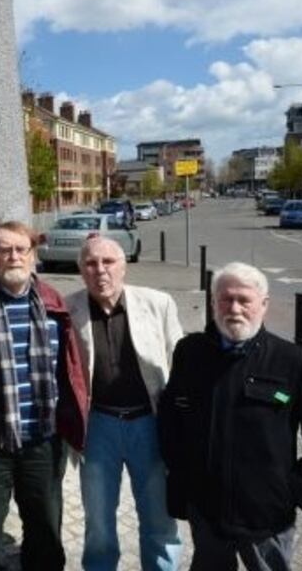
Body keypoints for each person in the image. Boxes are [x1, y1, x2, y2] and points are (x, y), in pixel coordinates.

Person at [158, 262, 302, 571]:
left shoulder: (295, 363)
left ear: (264, 305)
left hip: (266, 519)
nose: (234, 308)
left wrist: (295, 492)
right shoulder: (189, 352)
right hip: (207, 513)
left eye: (244, 300)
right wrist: (182, 474)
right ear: (213, 303)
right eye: (225, 299)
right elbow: (170, 418)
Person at [0, 221, 89, 570]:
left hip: (43, 441)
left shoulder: (53, 303)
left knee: (45, 530)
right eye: (4, 249)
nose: (13, 256)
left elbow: (71, 370)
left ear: (33, 255)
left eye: (21, 249)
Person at [68, 235, 183, 571]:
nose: (99, 270)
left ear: (124, 267)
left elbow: (180, 365)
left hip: (148, 423)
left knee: (159, 518)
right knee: (99, 520)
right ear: (81, 270)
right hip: (98, 426)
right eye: (90, 263)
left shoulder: (158, 303)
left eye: (108, 262)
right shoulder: (68, 309)